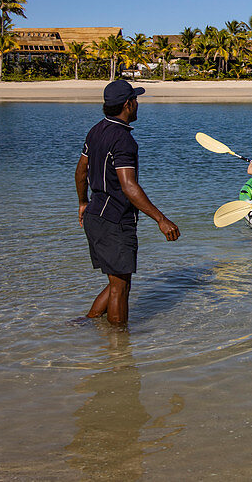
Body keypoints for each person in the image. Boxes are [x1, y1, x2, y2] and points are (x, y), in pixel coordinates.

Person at [74, 80, 180, 325]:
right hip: (114, 219)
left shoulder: (96, 129)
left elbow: (81, 171)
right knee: (120, 285)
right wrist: (161, 220)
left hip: (94, 215)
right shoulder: (123, 140)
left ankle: (85, 322)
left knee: (118, 280)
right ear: (128, 104)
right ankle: (120, 349)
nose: (137, 104)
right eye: (136, 100)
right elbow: (128, 186)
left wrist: (82, 202)